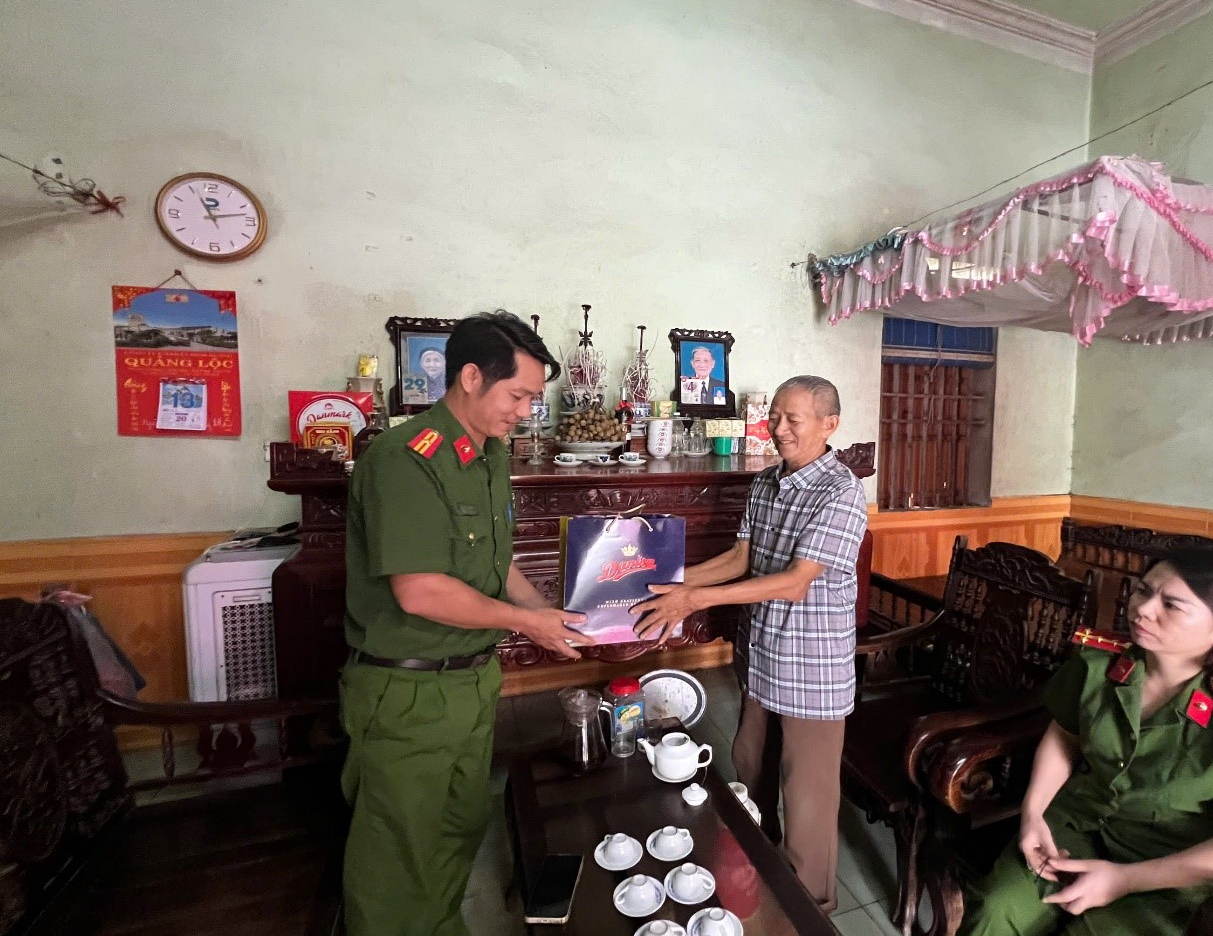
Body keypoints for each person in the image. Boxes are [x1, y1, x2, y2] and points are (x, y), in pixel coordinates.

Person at [340, 310, 594, 936]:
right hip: (408, 691)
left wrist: (547, 614)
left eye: (533, 399)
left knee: (456, 832)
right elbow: (421, 590)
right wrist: (528, 626)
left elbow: (494, 565)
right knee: (401, 855)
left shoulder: (487, 454)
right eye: (518, 396)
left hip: (471, 681)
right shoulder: (405, 459)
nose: (526, 412)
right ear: (472, 377)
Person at [959, 545, 1213, 936]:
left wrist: (1124, 880)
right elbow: (1064, 734)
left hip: (1172, 868)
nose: (1143, 609)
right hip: (1077, 826)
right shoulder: (1097, 664)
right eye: (1143, 590)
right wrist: (1033, 814)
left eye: (1172, 605)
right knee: (995, 912)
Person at [633, 375, 867, 911]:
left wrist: (694, 600)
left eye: (793, 419)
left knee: (807, 802)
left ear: (829, 425)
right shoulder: (766, 483)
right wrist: (672, 581)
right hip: (761, 657)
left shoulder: (841, 492)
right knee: (750, 767)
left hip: (811, 667)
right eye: (774, 417)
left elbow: (795, 581)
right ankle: (761, 873)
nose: (778, 429)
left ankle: (811, 909)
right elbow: (741, 559)